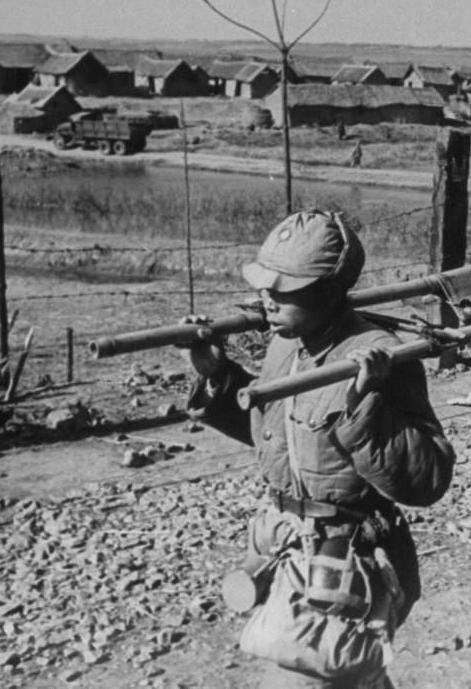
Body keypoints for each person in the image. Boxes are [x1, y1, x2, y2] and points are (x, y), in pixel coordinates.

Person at [185, 210, 455, 688]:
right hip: (288, 548)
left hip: (348, 558)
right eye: (264, 287)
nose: (266, 300)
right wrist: (218, 378)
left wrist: (364, 407)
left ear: (329, 291)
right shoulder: (285, 346)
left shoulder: (380, 355)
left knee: (320, 674)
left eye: (284, 289)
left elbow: (427, 479)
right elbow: (280, 437)